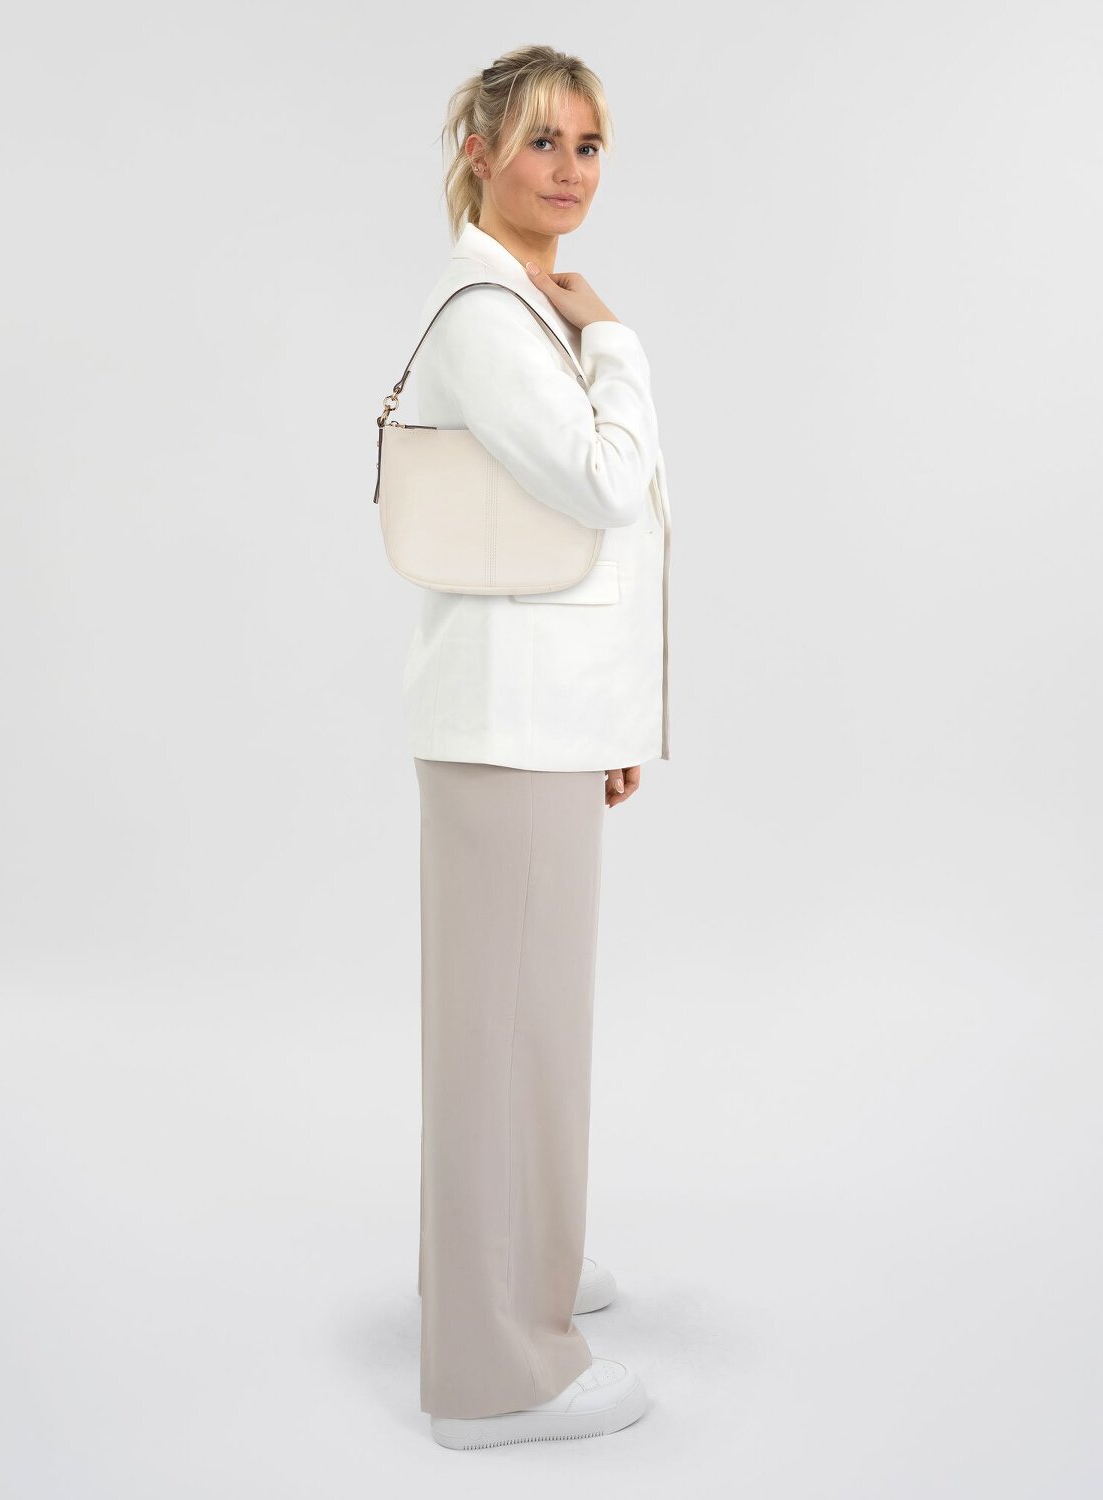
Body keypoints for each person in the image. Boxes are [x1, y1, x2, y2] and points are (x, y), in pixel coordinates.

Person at [398, 44, 672, 1451]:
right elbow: (604, 482)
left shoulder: (519, 303)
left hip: (540, 719)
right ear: (482, 152)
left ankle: (522, 1270)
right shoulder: (489, 313)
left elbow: (565, 544)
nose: (570, 170)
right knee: (503, 1038)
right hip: (506, 728)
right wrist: (618, 342)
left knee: (530, 1030)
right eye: (543, 142)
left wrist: (612, 718)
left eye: (590, 144)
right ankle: (494, 1374)